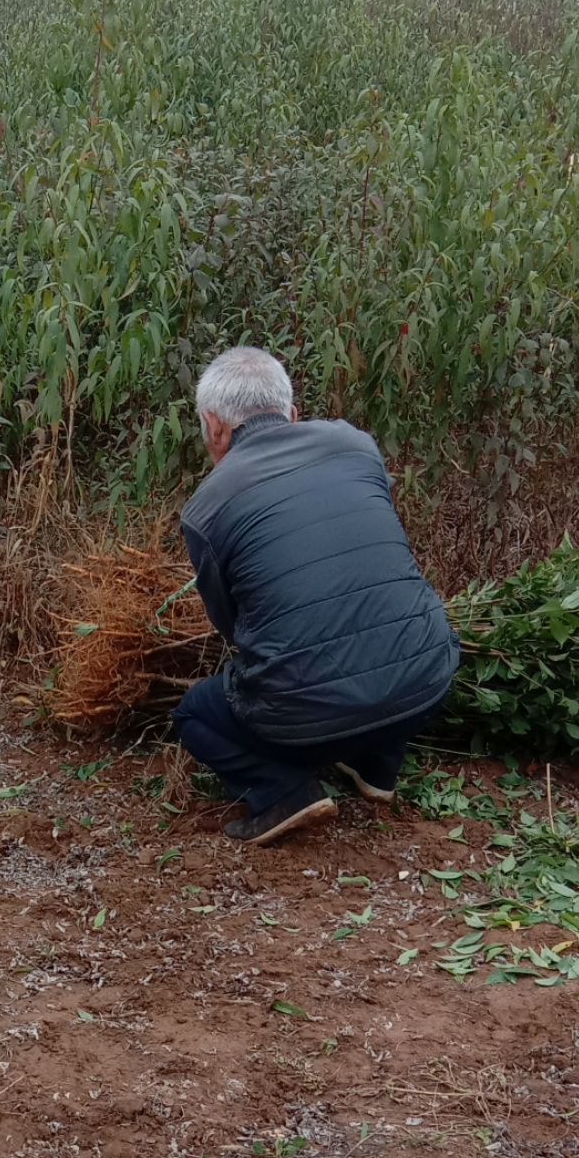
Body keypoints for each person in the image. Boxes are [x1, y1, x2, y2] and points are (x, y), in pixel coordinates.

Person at [172, 346, 460, 845]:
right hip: (427, 678)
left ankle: (284, 791)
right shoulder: (355, 444)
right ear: (292, 414)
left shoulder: (207, 506)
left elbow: (233, 626)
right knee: (385, 640)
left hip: (303, 713)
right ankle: (378, 765)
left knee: (195, 712)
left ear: (214, 426)